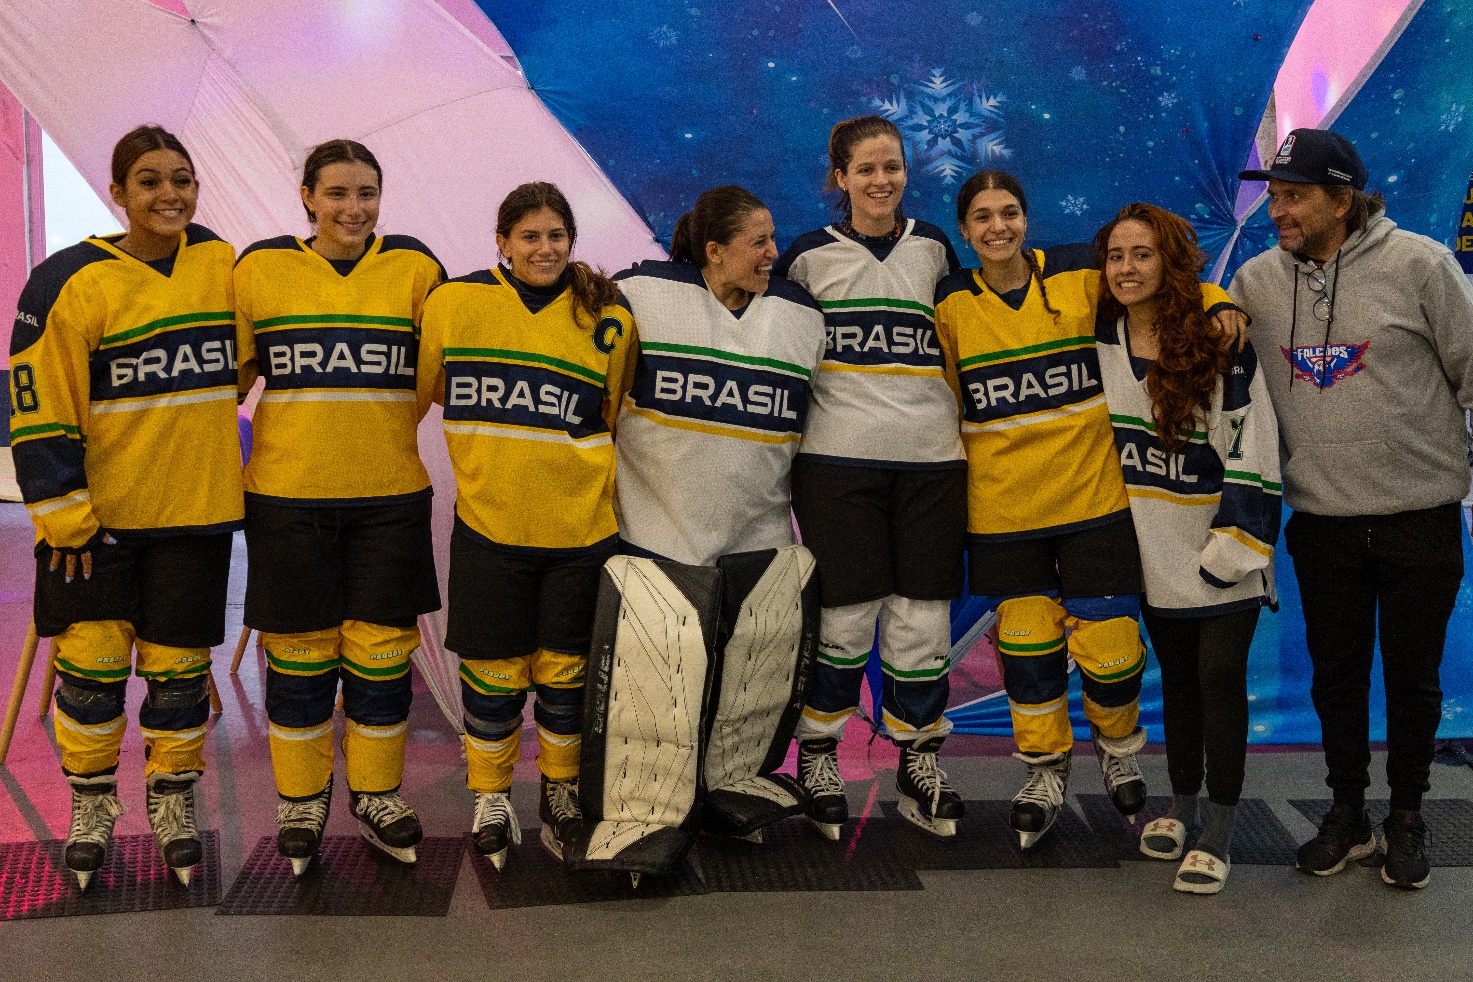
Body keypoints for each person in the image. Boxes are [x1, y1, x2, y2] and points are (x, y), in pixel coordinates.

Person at [935, 170, 1245, 849]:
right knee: (1026, 652)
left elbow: (1157, 284)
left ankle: (1115, 745)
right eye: (982, 217)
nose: (998, 227)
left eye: (1010, 212)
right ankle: (1043, 769)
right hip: (1002, 511)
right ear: (963, 231)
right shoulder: (949, 302)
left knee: (1110, 648)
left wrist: (1221, 301)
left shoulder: (1080, 270)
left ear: (1026, 216)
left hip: (1094, 499)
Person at [1231, 128, 1473, 890]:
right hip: (1322, 520)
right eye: (1272, 195)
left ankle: (1406, 815)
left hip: (1418, 515)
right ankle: (1346, 813)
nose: (1278, 210)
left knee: (1413, 678)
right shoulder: (1256, 280)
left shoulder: (1420, 265)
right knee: (1335, 677)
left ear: (1342, 200)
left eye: (1294, 196)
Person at [9, 125, 242, 889]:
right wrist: (65, 516)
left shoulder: (217, 262)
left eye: (182, 178)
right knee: (91, 676)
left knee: (178, 678)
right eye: (149, 181)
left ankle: (173, 801)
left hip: (195, 518)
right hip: (97, 529)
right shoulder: (67, 280)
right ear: (118, 193)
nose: (169, 193)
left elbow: (239, 366)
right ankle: (91, 801)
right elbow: (36, 407)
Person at [235, 139, 445, 873]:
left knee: (383, 661)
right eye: (337, 193)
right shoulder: (259, 268)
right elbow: (223, 382)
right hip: (286, 497)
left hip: (389, 495)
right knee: (297, 659)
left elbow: (459, 363)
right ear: (305, 195)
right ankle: (300, 801)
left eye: (367, 193)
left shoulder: (416, 268)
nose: (353, 209)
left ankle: (377, 794)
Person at [416, 182, 634, 870]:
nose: (545, 249)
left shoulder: (608, 315)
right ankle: (491, 795)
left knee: (567, 677)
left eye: (557, 236)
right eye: (530, 236)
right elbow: (422, 392)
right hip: (490, 527)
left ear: (572, 241)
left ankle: (562, 792)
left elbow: (615, 414)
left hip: (582, 531)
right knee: (493, 676)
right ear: (502, 242)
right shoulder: (454, 303)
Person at [772, 115, 967, 839]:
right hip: (835, 463)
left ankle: (918, 754)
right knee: (846, 615)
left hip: (931, 462)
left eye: (892, 166)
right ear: (839, 177)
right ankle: (817, 753)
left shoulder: (933, 247)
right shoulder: (805, 258)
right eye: (865, 169)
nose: (881, 181)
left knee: (921, 616)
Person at [1094, 202, 1281, 894]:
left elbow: (1252, 449)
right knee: (1173, 684)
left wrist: (1235, 545)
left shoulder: (1219, 341)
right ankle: (1180, 806)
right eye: (1115, 255)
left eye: (1142, 254)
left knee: (1217, 681)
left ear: (1171, 262)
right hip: (1151, 553)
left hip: (1220, 547)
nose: (1126, 268)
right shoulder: (1099, 338)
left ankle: (1221, 831)